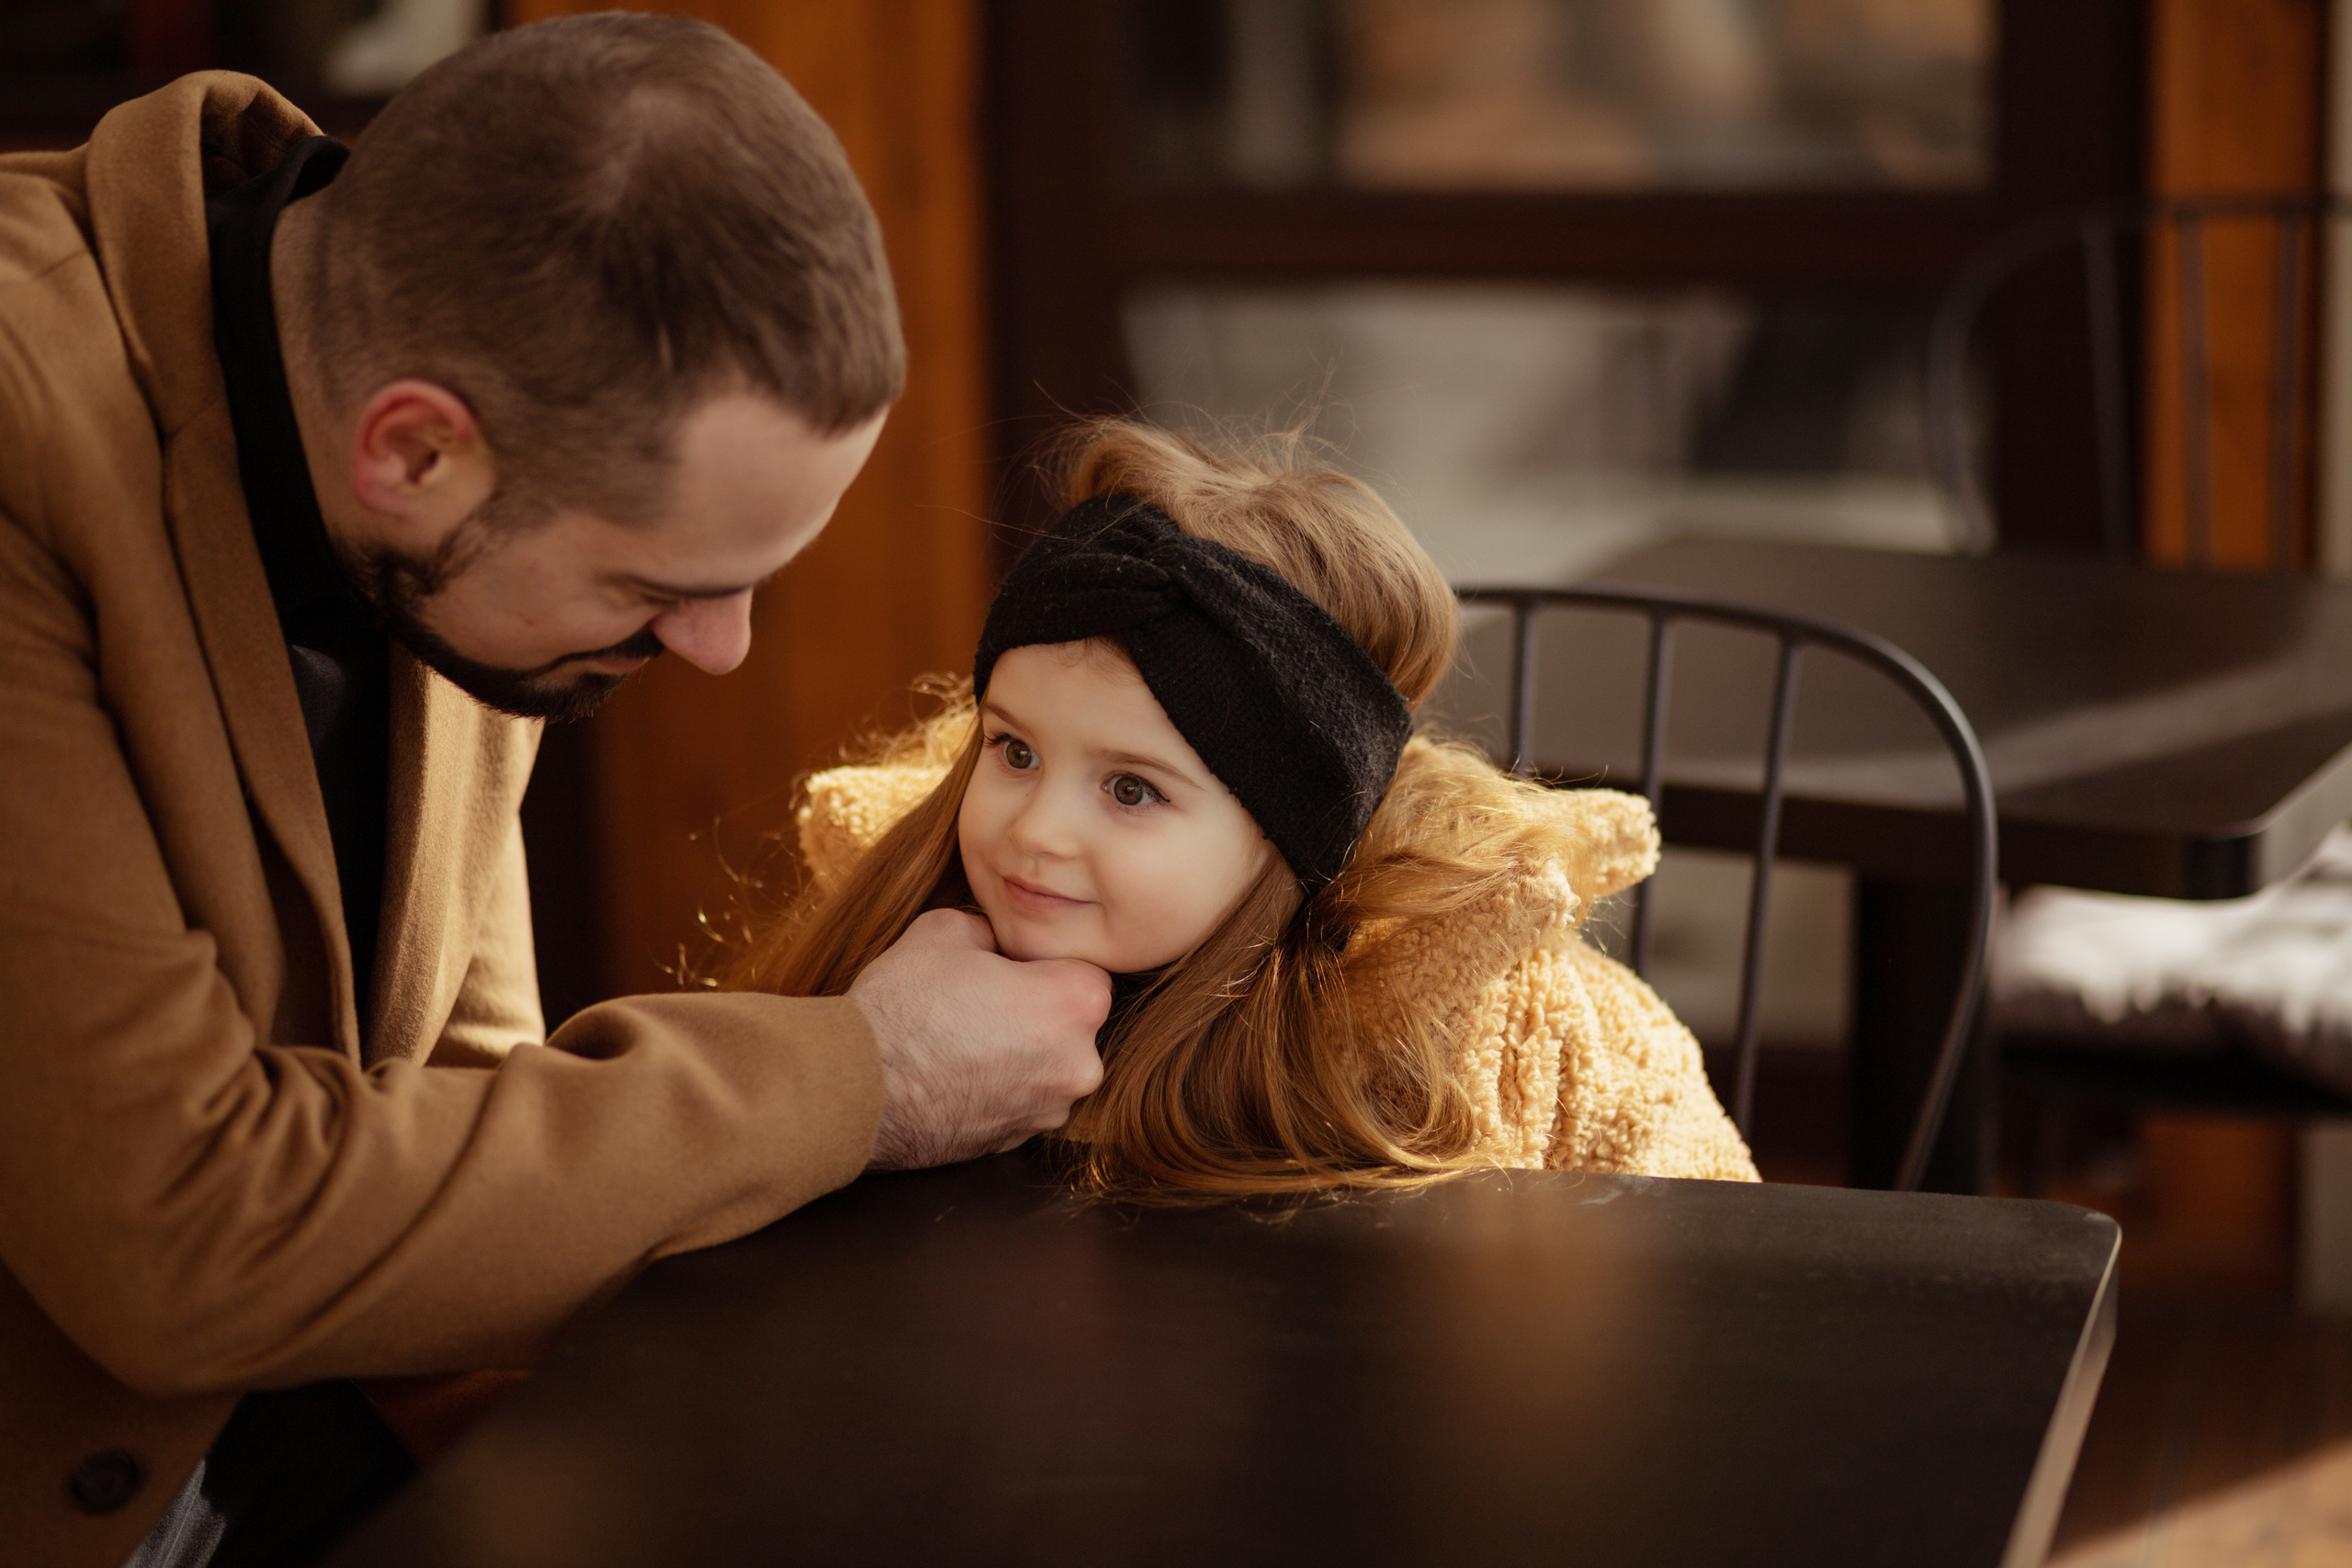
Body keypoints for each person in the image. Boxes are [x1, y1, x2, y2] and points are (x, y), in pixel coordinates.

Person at [0, 17, 1105, 1568]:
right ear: (415, 451)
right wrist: (871, 1076)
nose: (721, 650)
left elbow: (464, 1099)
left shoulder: (425, 396)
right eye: (659, 585)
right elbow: (179, 1232)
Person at [729, 420, 1759, 1195]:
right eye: (1015, 750)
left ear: (1288, 834)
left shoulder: (1514, 1040)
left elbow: (1705, 1277)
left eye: (1131, 788)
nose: (1035, 829)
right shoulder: (886, 968)